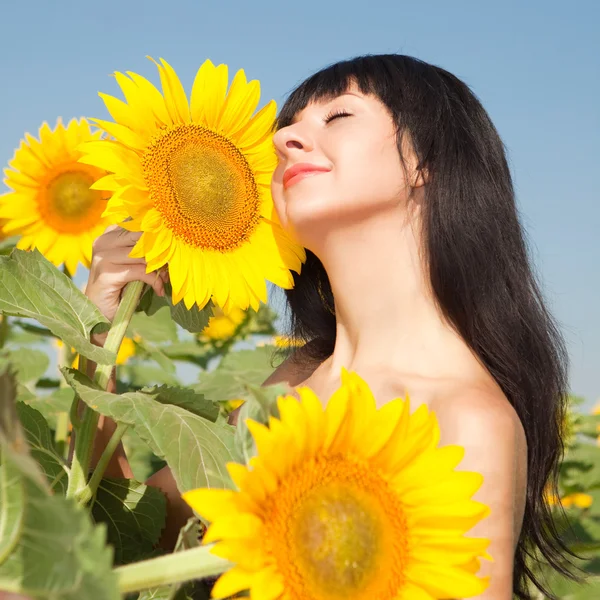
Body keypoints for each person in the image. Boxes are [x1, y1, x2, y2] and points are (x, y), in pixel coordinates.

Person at [84, 54, 574, 599]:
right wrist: (95, 340)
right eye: (288, 127)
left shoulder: (467, 420)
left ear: (423, 160)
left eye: (338, 115)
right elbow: (131, 536)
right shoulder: (290, 383)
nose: (285, 139)